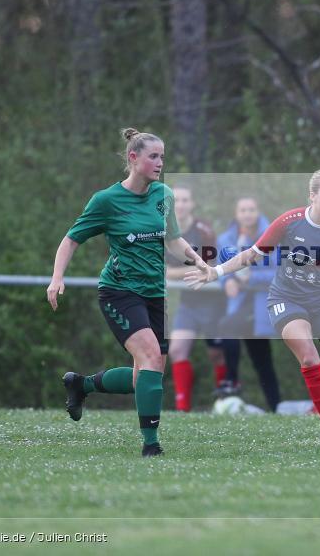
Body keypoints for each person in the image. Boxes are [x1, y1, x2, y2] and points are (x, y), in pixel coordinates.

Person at [185, 170, 320, 451]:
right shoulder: (290, 222)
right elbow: (251, 254)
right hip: (287, 299)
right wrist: (216, 272)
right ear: (312, 195)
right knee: (310, 359)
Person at [47, 128, 206, 457]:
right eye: (153, 156)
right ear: (133, 159)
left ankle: (83, 384)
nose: (160, 162)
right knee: (149, 356)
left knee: (146, 375)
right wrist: (57, 277)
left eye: (162, 156)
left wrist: (198, 260)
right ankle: (151, 446)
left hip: (153, 294)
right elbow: (71, 238)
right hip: (119, 291)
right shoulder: (106, 200)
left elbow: (173, 239)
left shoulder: (163, 195)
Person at [215, 196, 282, 412]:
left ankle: (273, 404)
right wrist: (228, 281)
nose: (247, 214)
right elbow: (222, 268)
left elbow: (279, 272)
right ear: (236, 214)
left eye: (251, 209)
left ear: (258, 211)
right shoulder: (226, 238)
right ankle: (234, 381)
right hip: (240, 304)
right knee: (230, 328)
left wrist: (250, 278)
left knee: (261, 359)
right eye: (243, 210)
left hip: (264, 303)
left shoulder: (274, 236)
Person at [165, 185, 226, 412]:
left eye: (184, 200)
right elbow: (164, 271)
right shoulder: (163, 230)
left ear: (192, 204)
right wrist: (188, 270)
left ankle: (224, 403)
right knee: (177, 350)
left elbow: (209, 268)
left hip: (212, 302)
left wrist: (177, 272)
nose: (180, 204)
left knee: (217, 354)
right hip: (188, 303)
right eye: (176, 200)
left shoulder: (203, 231)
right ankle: (183, 408)